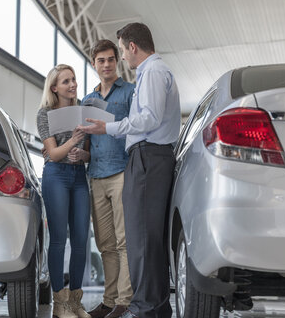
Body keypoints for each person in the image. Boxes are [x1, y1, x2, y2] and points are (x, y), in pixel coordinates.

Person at [77, 23, 181, 318]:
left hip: (148, 157)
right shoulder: (154, 72)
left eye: (120, 51)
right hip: (146, 158)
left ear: (132, 47)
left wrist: (106, 127)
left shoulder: (151, 73)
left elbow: (148, 119)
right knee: (144, 238)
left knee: (141, 239)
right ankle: (154, 307)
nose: (121, 57)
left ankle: (145, 308)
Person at [82, 39, 134, 318]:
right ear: (94, 64)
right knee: (105, 244)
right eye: (101, 60)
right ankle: (109, 299)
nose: (106, 65)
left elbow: (138, 130)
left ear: (118, 61)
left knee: (124, 241)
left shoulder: (130, 93)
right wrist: (81, 155)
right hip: (96, 175)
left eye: (111, 59)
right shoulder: (87, 100)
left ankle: (125, 301)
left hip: (122, 172)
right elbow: (88, 143)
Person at [36, 64, 92, 318]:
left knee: (81, 239)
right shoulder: (44, 114)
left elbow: (89, 152)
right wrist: (72, 140)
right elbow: (54, 154)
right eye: (66, 81)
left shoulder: (84, 111)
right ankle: (59, 303)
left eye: (74, 79)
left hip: (79, 176)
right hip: (56, 176)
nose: (72, 85)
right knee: (59, 239)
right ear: (54, 87)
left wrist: (83, 153)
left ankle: (75, 301)